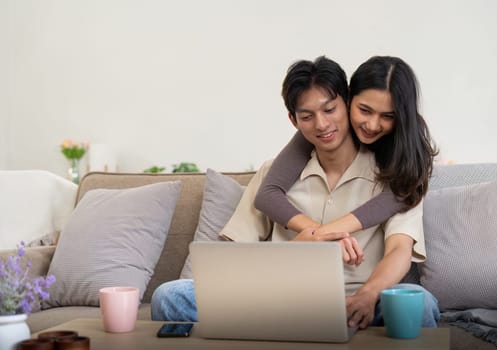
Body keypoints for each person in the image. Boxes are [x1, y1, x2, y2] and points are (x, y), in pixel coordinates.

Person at [151, 56, 440, 329]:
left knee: (421, 303)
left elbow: (400, 250)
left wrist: (368, 295)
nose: (323, 125)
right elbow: (235, 256)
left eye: (329, 110)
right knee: (170, 296)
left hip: (357, 300)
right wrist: (303, 245)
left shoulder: (399, 174)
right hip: (280, 300)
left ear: (345, 101)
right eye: (308, 116)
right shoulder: (273, 173)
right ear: (295, 120)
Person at [254, 56, 436, 237]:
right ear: (349, 100)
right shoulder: (320, 130)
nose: (372, 125)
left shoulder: (406, 145)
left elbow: (402, 193)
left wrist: (326, 234)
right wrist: (323, 235)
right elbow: (267, 195)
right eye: (364, 110)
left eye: (388, 116)